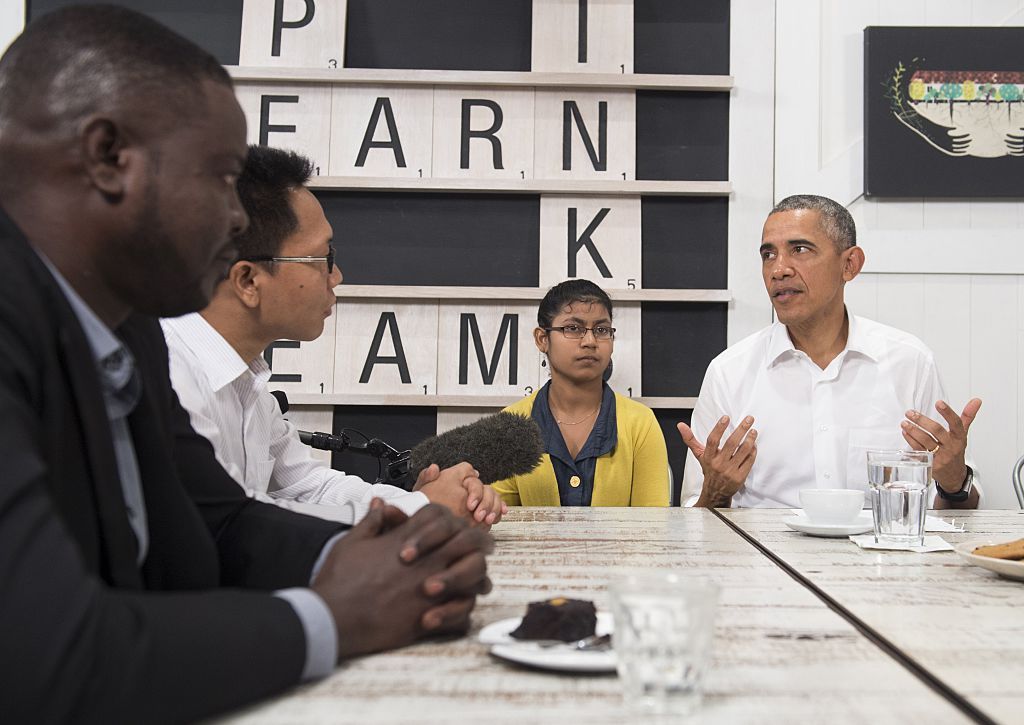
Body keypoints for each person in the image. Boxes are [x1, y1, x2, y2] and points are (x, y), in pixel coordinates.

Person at [0, 6, 490, 723]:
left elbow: (219, 525)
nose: (236, 221)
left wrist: (396, 554)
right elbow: (51, 656)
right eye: (221, 176)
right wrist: (331, 617)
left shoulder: (124, 329)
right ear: (108, 157)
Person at [162, 145, 505, 527]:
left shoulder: (248, 385)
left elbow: (307, 486)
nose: (336, 276)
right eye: (322, 258)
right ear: (247, 280)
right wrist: (419, 509)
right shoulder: (170, 380)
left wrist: (421, 502)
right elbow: (237, 524)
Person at [678, 194, 982, 509]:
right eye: (768, 254)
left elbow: (957, 513)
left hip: (880, 556)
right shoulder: (729, 371)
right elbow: (695, 520)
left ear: (849, 264)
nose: (779, 269)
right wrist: (715, 494)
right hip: (761, 556)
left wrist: (954, 482)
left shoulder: (910, 362)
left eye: (799, 249)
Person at [492, 279, 669, 506]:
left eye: (601, 330)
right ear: (542, 339)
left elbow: (653, 529)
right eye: (573, 328)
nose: (590, 341)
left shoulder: (640, 423)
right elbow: (501, 525)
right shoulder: (509, 426)